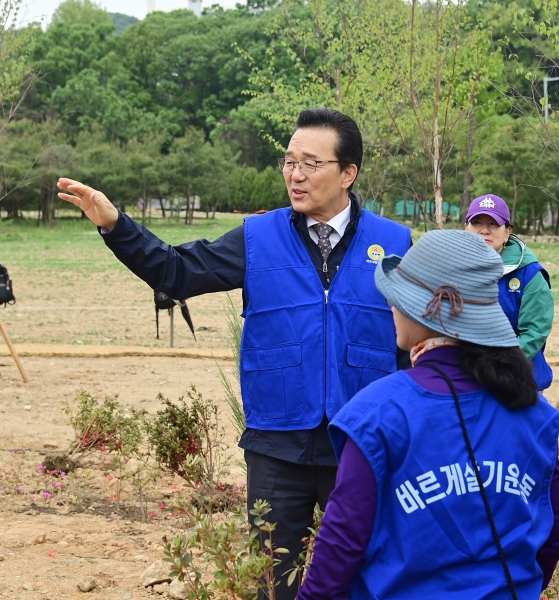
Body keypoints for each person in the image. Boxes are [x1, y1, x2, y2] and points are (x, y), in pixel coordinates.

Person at [57, 108, 412, 600]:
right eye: (289, 161)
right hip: (276, 446)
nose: (295, 174)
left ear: (348, 173)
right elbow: (176, 271)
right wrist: (116, 225)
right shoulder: (256, 238)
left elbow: (417, 344)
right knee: (271, 582)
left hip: (361, 444)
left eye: (311, 163)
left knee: (365, 577)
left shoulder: (395, 244)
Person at [296, 230, 559, 600]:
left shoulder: (375, 413)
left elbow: (341, 547)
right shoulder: (535, 412)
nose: (391, 307)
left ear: (422, 311)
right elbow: (552, 536)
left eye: (397, 297)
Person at [464, 194, 555, 390]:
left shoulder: (529, 275)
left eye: (493, 224)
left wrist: (494, 365)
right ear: (466, 228)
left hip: (515, 381)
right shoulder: (452, 270)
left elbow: (534, 332)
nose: (484, 231)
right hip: (466, 379)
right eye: (477, 222)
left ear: (507, 232)